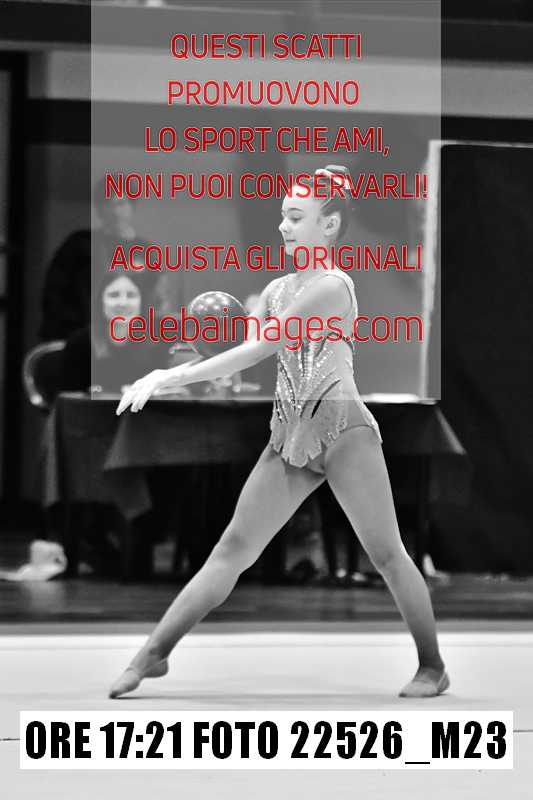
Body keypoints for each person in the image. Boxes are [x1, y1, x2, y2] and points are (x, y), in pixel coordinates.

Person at [109, 165, 449, 699]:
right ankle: (153, 654)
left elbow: (260, 347)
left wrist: (168, 377)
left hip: (344, 432)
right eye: (283, 216)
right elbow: (239, 349)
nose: (282, 226)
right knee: (232, 549)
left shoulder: (334, 287)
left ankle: (433, 666)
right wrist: (179, 360)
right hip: (289, 436)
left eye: (295, 217)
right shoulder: (275, 290)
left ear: (329, 225)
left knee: (388, 555)